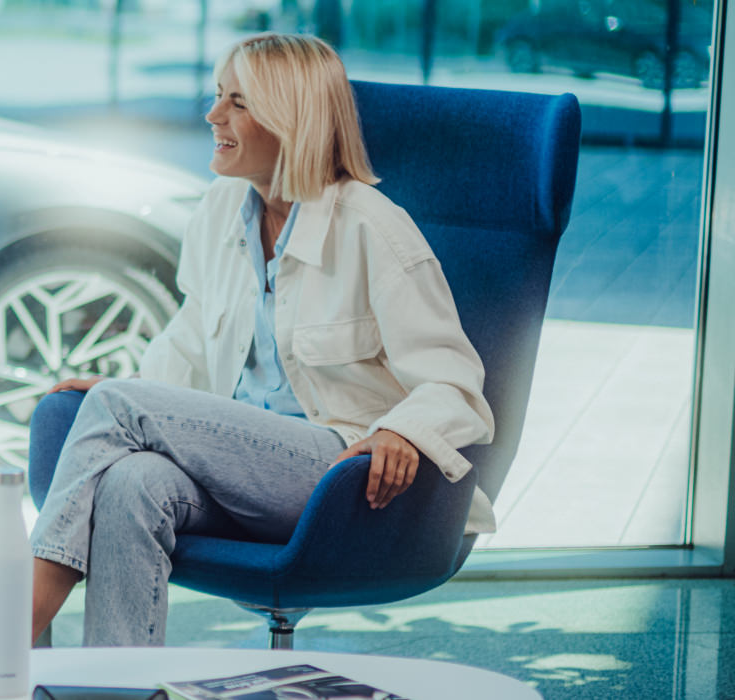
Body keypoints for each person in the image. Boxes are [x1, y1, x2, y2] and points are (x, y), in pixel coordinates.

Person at [26, 33, 497, 646]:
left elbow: (455, 382)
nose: (213, 115)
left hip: (344, 480)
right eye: (219, 96)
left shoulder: (372, 229)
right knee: (131, 483)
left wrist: (401, 430)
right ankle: (117, 688)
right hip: (245, 472)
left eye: (238, 103)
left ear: (290, 119)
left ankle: (14, 628)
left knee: (116, 405)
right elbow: (192, 338)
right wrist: (139, 394)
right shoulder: (222, 210)